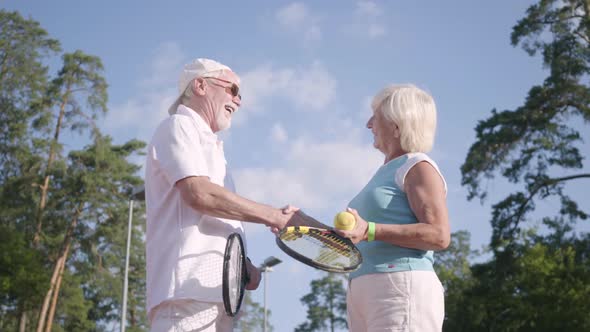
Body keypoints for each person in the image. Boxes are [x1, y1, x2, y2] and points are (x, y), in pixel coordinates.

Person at [144, 58, 307, 332]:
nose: (239, 100)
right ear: (200, 86)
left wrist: (243, 268)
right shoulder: (179, 126)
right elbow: (200, 194)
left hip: (218, 299)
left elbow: (211, 220)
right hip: (186, 296)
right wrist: (274, 216)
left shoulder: (212, 147)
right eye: (233, 89)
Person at [335, 84, 450, 331]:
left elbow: (439, 236)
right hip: (364, 291)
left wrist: (371, 230)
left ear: (396, 126)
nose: (368, 124)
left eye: (375, 118)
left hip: (399, 286)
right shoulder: (384, 173)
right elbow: (358, 235)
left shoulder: (418, 166)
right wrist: (302, 223)